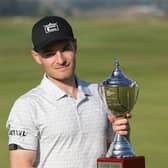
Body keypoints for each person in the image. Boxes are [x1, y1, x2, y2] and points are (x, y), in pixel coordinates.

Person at [6, 16, 131, 168]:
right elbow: (21, 165)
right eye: (49, 53)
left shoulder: (101, 94)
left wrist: (123, 134)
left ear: (75, 46)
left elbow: (114, 159)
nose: (60, 59)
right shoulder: (27, 106)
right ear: (37, 57)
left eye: (65, 49)